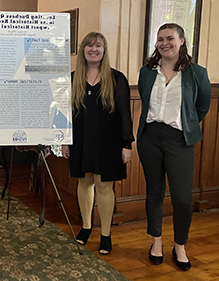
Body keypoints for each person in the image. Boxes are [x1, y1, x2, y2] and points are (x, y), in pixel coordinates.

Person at [137, 23, 211, 271]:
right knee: (154, 192)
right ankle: (155, 242)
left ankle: (180, 245)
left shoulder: (197, 73)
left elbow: (202, 107)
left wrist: (185, 125)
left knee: (182, 199)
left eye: (169, 38)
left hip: (179, 140)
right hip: (149, 137)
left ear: (181, 41)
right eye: (160, 39)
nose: (164, 43)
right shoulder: (147, 71)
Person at [62, 32, 134, 255]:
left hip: (109, 142)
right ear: (83, 49)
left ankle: (105, 234)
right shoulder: (72, 78)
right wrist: (64, 141)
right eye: (89, 46)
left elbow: (124, 114)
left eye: (98, 46)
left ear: (104, 50)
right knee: (84, 183)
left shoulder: (116, 78)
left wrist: (127, 144)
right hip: (80, 140)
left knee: (104, 186)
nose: (94, 49)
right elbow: (65, 114)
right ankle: (86, 227)